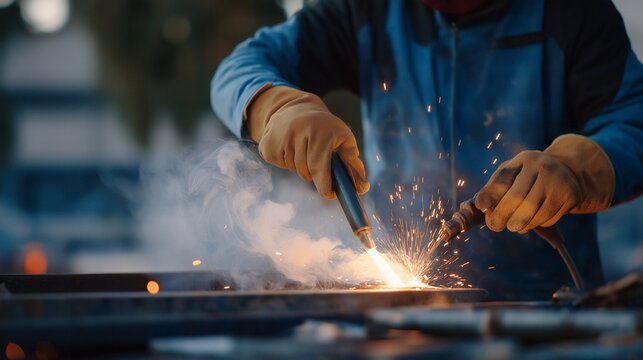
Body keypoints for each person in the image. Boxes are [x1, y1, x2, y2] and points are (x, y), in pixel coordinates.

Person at [211, 0, 643, 299]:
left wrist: (580, 168)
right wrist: (272, 103)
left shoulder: (572, 12)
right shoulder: (367, 10)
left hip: (547, 314)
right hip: (402, 326)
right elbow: (239, 67)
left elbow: (634, 119)